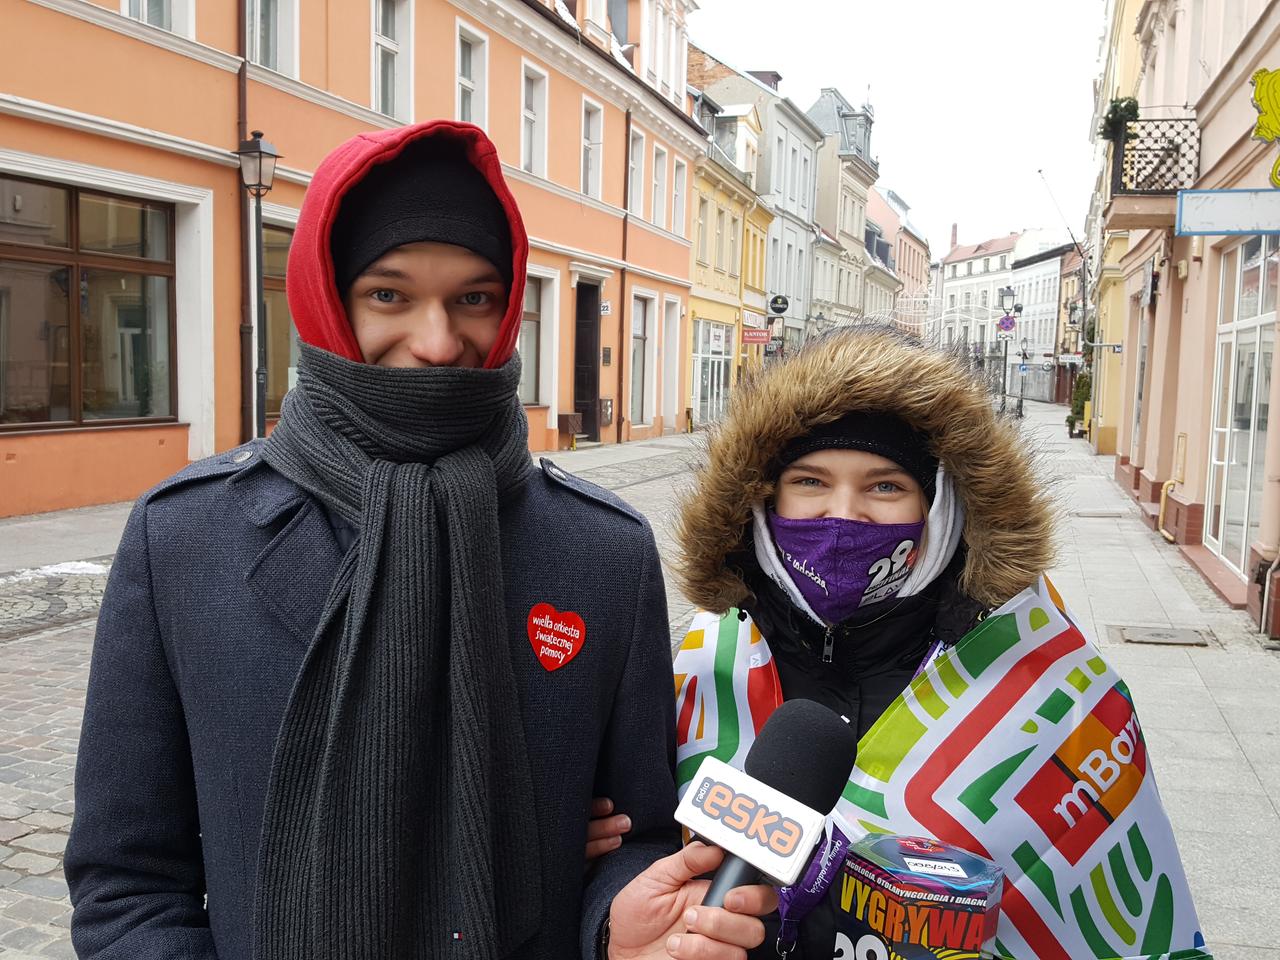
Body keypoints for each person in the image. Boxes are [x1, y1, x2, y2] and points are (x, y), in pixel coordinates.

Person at [65, 120, 772, 960]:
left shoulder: (602, 555)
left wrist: (616, 920)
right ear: (327, 298)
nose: (438, 343)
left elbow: (638, 835)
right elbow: (127, 881)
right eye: (390, 295)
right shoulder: (184, 540)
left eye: (473, 297)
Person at [667, 325, 1055, 957]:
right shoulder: (705, 660)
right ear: (764, 498)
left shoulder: (1033, 680)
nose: (843, 515)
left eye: (885, 486)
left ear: (938, 509)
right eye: (810, 481)